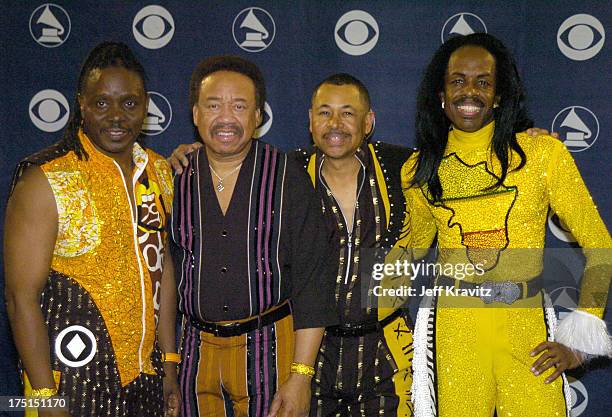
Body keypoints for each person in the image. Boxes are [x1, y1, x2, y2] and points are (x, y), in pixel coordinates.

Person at [403, 33, 611, 417]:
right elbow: (410, 249)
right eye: (458, 81)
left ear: (499, 95)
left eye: (483, 82)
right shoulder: (418, 170)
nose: (470, 92)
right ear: (440, 94)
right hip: (455, 334)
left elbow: (600, 245)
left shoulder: (542, 153)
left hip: (527, 330)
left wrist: (580, 341)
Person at [4, 42, 180, 416]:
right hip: (70, 380)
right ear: (82, 104)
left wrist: (169, 363)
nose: (116, 116)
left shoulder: (159, 172)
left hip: (145, 380)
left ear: (146, 105)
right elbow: (20, 298)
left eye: (129, 103)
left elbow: (161, 268)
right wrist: (44, 396)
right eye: (102, 103)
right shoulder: (46, 179)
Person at [169, 55, 337, 417]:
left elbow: (312, 280)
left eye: (239, 106)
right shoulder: (173, 177)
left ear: (258, 117)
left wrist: (301, 377)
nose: (226, 118)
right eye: (213, 105)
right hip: (193, 352)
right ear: (195, 114)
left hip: (270, 348)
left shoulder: (287, 176)